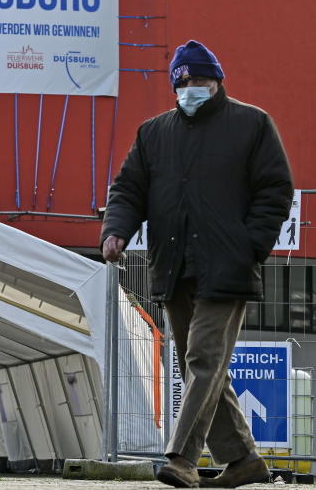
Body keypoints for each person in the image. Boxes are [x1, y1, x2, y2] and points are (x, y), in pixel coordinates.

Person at [100, 40, 293, 488]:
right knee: (201, 368)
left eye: (201, 81)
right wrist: (116, 231)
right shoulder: (154, 133)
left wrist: (251, 246)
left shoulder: (252, 124)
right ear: (174, 86)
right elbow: (128, 189)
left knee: (203, 359)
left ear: (218, 81)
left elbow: (275, 189)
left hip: (228, 268)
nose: (192, 88)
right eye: (184, 82)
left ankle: (182, 458)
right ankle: (244, 459)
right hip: (174, 266)